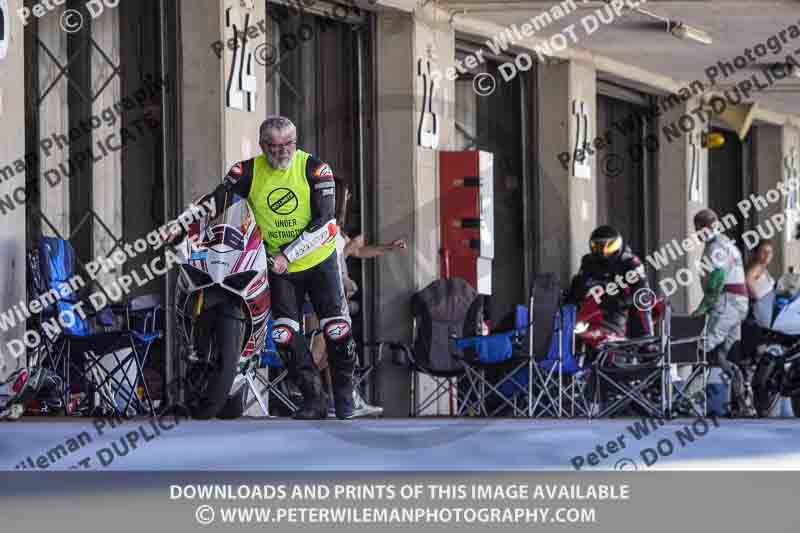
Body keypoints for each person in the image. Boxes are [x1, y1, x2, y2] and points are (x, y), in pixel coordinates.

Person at [167, 116, 355, 420]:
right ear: (262, 145)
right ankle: (313, 398)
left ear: (296, 143)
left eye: (287, 145)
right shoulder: (246, 171)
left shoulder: (315, 169)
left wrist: (289, 254)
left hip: (318, 262)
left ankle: (346, 395)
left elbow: (326, 221)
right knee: (282, 334)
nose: (281, 152)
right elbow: (216, 202)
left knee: (336, 327)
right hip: (278, 268)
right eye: (273, 146)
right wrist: (181, 227)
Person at [308, 177, 407, 417]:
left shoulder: (336, 226)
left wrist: (388, 247)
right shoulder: (320, 222)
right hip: (320, 295)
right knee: (320, 349)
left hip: (335, 294)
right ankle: (311, 392)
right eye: (348, 194)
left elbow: (359, 251)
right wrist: (349, 247)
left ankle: (340, 398)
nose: (350, 198)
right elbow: (325, 254)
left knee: (334, 348)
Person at [690, 208, 755, 417]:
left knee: (702, 347)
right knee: (727, 354)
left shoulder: (715, 247)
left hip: (726, 302)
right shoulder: (727, 242)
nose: (698, 235)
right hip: (739, 302)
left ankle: (689, 399)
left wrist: (704, 306)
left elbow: (717, 276)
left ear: (702, 228)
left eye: (698, 230)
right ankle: (745, 404)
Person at [567, 225, 654, 339]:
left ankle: (646, 338)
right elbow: (578, 285)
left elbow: (642, 291)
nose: (603, 252)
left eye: (609, 246)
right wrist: (570, 301)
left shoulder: (630, 262)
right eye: (597, 246)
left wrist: (619, 301)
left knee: (642, 302)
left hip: (619, 310)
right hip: (591, 313)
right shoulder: (588, 261)